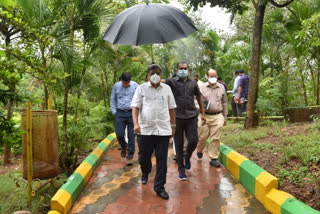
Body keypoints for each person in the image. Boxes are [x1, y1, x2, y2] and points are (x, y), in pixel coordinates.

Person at [131, 64, 176, 200]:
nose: (155, 75)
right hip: (145, 129)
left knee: (162, 160)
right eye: (152, 73)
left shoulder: (167, 89)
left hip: (163, 130)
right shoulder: (141, 88)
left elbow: (172, 108)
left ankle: (159, 187)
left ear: (161, 75)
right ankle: (145, 172)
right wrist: (136, 124)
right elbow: (135, 107)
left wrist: (173, 125)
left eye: (157, 73)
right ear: (148, 75)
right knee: (144, 157)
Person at [165, 62, 206, 181]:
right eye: (181, 68)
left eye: (185, 68)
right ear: (177, 70)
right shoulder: (172, 82)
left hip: (191, 116)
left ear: (188, 69)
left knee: (193, 140)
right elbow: (160, 82)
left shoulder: (193, 82)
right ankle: (181, 169)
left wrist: (203, 113)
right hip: (177, 117)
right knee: (178, 144)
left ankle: (187, 156)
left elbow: (199, 96)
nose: (183, 70)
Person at [196, 69, 227, 167]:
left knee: (215, 138)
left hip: (217, 116)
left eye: (215, 76)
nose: (213, 78)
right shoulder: (201, 87)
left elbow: (225, 102)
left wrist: (225, 117)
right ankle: (199, 149)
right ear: (207, 76)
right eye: (211, 76)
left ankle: (213, 158)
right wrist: (198, 106)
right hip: (204, 116)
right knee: (202, 137)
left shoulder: (221, 87)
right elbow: (194, 99)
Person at [110, 72, 138, 160]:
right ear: (121, 80)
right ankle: (124, 146)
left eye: (127, 82)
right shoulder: (116, 86)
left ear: (130, 80)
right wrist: (114, 112)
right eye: (124, 82)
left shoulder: (135, 85)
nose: (126, 84)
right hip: (120, 113)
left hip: (131, 113)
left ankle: (130, 153)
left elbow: (140, 98)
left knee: (131, 135)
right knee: (119, 134)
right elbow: (113, 99)